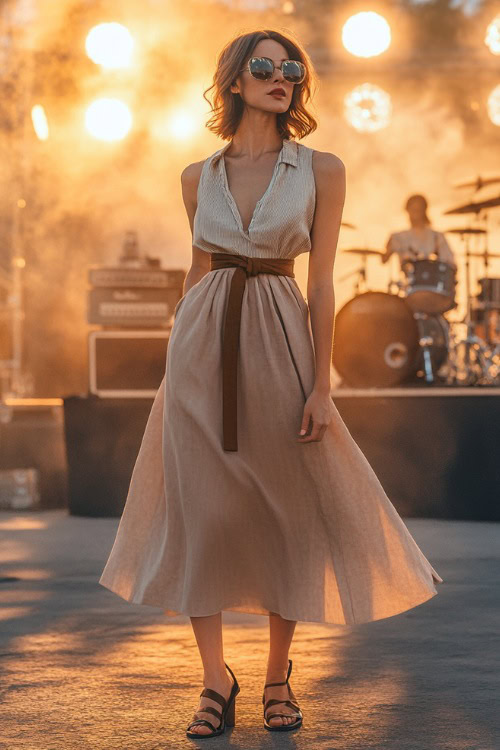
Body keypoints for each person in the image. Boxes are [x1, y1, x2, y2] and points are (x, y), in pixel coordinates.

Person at [99, 29, 443, 738]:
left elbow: (320, 281)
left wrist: (322, 385)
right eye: (264, 66)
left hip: (281, 339)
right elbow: (200, 270)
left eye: (292, 69)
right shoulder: (197, 176)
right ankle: (212, 679)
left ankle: (279, 676)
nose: (280, 77)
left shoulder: (321, 168)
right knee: (204, 513)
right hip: (200, 348)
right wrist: (175, 361)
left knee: (287, 513)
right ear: (234, 80)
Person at [382, 193, 457, 269]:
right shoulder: (398, 237)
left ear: (424, 210)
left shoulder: (436, 236)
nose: (415, 213)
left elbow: (449, 262)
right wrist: (387, 249)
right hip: (407, 279)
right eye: (413, 210)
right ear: (407, 211)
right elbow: (383, 259)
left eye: (418, 210)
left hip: (433, 278)